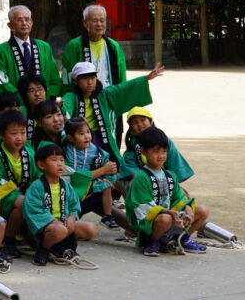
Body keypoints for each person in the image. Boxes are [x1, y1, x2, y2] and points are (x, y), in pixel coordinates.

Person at [126, 126, 209, 257]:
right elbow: (142, 207)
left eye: (164, 151)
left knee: (202, 210)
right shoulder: (141, 177)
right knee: (164, 219)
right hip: (153, 224)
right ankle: (153, 242)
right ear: (143, 151)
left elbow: (179, 197)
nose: (161, 156)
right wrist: (169, 212)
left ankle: (183, 239)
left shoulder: (170, 175)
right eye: (156, 151)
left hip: (172, 218)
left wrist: (187, 207)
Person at [61, 61, 164, 160]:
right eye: (85, 78)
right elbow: (66, 107)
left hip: (101, 137)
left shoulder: (105, 95)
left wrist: (146, 78)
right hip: (80, 138)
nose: (90, 82)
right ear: (75, 81)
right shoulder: (71, 97)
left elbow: (124, 88)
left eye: (92, 78)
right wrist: (61, 107)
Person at [0, 109, 41, 260]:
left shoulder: (29, 153)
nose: (19, 138)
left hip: (24, 198)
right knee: (24, 202)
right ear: (1, 135)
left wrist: (33, 193)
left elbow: (38, 176)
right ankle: (8, 239)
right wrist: (23, 196)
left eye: (23, 133)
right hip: (0, 199)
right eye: (14, 134)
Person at [22, 144, 97, 266]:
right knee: (59, 230)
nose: (60, 164)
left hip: (64, 224)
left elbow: (74, 204)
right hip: (46, 227)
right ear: (41, 165)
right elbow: (32, 209)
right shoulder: (36, 186)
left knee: (91, 229)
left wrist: (72, 218)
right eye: (54, 160)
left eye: (62, 160)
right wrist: (52, 221)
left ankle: (67, 247)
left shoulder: (65, 185)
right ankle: (44, 248)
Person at [0, 6, 62, 100]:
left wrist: (48, 96)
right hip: (17, 104)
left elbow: (54, 78)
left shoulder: (44, 47)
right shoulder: (1, 51)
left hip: (44, 103)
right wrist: (17, 98)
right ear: (10, 25)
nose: (24, 23)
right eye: (19, 20)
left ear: (32, 23)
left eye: (27, 19)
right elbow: (1, 79)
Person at [64, 117, 120, 230]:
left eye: (88, 132)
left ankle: (108, 216)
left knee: (106, 186)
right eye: (81, 134)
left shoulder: (97, 151)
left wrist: (105, 177)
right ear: (70, 138)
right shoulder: (65, 148)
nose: (87, 136)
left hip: (89, 184)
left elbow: (108, 166)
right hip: (69, 185)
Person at [119, 107, 195, 188]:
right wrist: (135, 177)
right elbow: (129, 164)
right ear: (131, 128)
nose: (140, 124)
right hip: (142, 179)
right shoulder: (133, 144)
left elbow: (173, 159)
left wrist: (175, 185)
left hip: (163, 176)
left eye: (143, 120)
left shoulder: (163, 139)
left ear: (150, 121)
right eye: (135, 123)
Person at [61, 4, 127, 90]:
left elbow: (121, 76)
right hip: (83, 99)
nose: (99, 24)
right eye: (95, 21)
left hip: (109, 97)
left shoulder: (114, 46)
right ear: (85, 23)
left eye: (102, 20)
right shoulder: (74, 46)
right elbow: (68, 77)